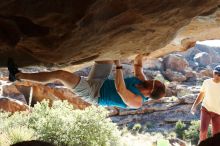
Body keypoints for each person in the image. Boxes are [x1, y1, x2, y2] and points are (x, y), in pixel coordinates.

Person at [8, 54, 166, 109]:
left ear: (151, 92)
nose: (151, 80)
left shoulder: (137, 102)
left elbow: (120, 89)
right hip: (102, 80)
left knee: (61, 75)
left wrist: (118, 66)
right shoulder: (142, 80)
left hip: (94, 94)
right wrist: (142, 50)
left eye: (154, 83)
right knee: (106, 57)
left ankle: (17, 76)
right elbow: (138, 66)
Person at [191, 65, 220, 143]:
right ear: (213, 73)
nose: (217, 76)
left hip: (218, 113)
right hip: (206, 110)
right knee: (203, 132)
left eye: (219, 74)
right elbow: (201, 95)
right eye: (216, 73)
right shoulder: (206, 82)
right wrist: (194, 106)